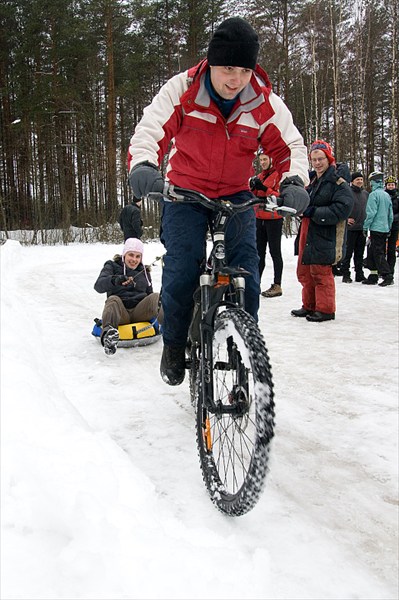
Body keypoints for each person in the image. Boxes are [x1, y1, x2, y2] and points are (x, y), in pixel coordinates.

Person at [127, 17, 310, 385]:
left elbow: (290, 145)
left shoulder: (262, 102)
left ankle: (246, 351)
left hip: (236, 195)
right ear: (211, 63)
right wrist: (145, 165)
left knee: (246, 272)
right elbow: (151, 130)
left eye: (244, 70)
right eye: (228, 68)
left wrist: (294, 182)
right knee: (182, 270)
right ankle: (175, 346)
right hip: (185, 193)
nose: (235, 79)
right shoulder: (183, 90)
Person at [291, 140, 354, 322]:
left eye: (321, 159)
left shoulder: (338, 183)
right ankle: (309, 305)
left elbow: (342, 209)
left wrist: (314, 212)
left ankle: (325, 309)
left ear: (329, 159)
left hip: (326, 233)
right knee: (305, 270)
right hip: (308, 230)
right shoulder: (312, 181)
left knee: (320, 271)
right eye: (314, 160)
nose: (317, 163)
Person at [94, 238, 163, 355]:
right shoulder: (112, 266)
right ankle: (109, 336)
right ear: (124, 254)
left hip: (140, 312)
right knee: (113, 299)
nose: (134, 260)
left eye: (138, 256)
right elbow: (98, 286)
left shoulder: (144, 271)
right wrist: (116, 280)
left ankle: (173, 329)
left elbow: (150, 296)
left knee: (156, 296)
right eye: (131, 255)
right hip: (121, 313)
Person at [250, 151, 283, 297]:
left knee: (275, 252)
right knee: (259, 253)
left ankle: (277, 284)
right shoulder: (259, 176)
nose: (262, 162)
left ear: (271, 159)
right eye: (261, 160)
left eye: (265, 159)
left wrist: (265, 189)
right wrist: (253, 188)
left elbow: (280, 196)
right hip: (259, 217)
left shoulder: (278, 175)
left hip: (274, 218)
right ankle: (256, 283)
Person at [362, 172, 394, 286]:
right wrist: (389, 226)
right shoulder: (386, 195)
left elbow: (370, 213)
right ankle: (373, 275)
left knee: (378, 252)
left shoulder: (373, 195)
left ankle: (387, 275)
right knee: (373, 251)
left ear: (372, 182)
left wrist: (365, 226)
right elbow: (390, 214)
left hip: (376, 228)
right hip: (385, 228)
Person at [340, 171, 368, 283]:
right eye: (357, 179)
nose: (360, 181)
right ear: (352, 181)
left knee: (360, 253)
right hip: (350, 229)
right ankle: (346, 274)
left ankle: (359, 273)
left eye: (361, 179)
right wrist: (346, 219)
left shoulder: (366, 194)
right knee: (348, 253)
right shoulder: (347, 193)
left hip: (362, 228)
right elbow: (341, 207)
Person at [384, 175, 399, 277]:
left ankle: (390, 270)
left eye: (392, 185)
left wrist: (392, 218)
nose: (390, 186)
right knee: (381, 249)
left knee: (391, 249)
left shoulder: (397, 197)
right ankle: (383, 270)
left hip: (394, 226)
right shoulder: (383, 196)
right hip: (383, 225)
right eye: (389, 185)